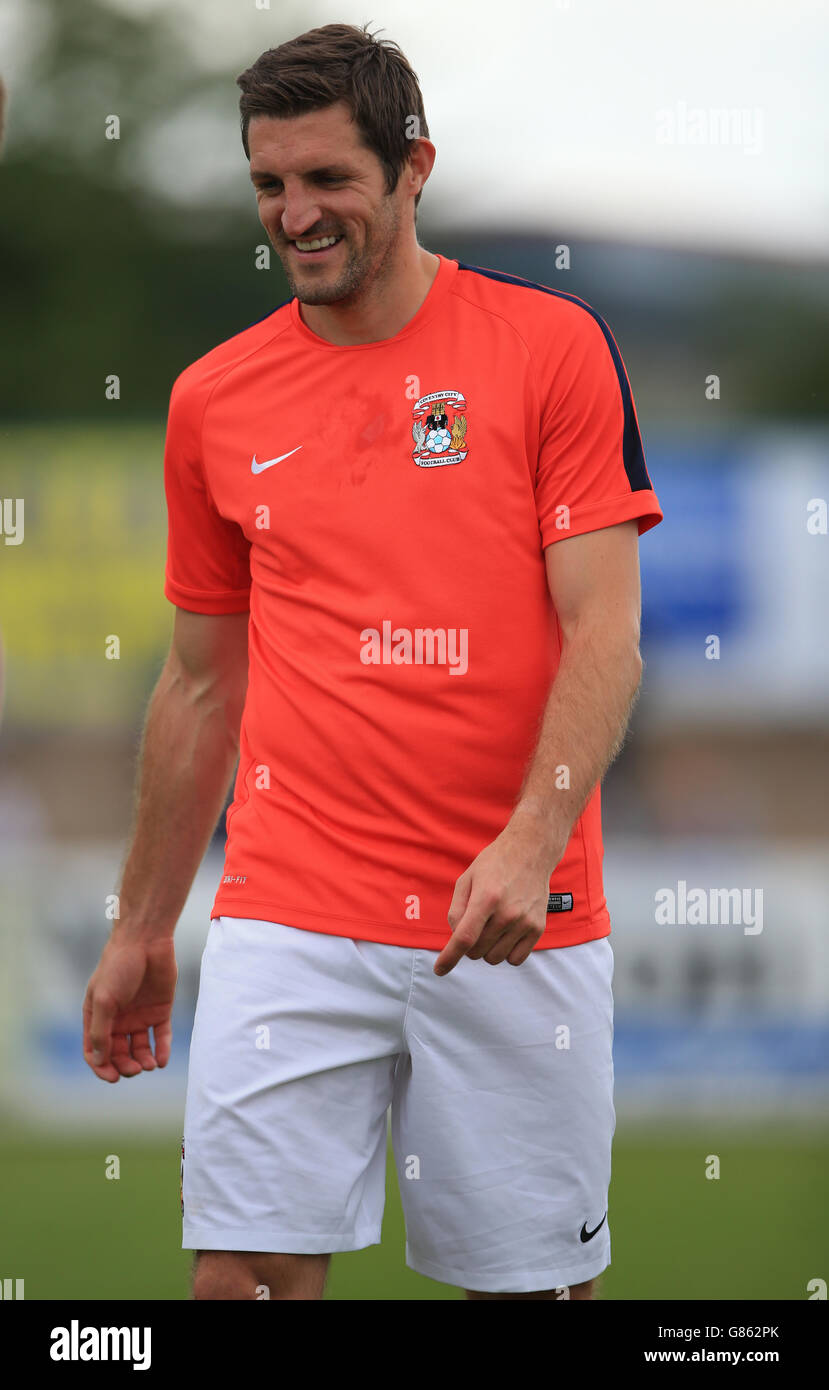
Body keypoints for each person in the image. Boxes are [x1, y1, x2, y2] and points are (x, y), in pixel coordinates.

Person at [83, 22, 663, 1302]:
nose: (295, 214)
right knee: (238, 1278)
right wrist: (142, 925)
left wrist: (527, 841)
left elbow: (604, 634)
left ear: (413, 171)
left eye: (328, 179)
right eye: (268, 185)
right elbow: (196, 685)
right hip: (289, 912)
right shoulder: (211, 400)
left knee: (531, 1295)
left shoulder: (550, 349)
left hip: (517, 920)